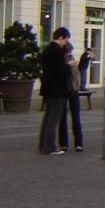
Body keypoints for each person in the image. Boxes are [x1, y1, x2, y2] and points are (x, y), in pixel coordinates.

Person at [38, 27, 71, 155]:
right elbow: (59, 70)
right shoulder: (56, 51)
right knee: (54, 118)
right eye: (66, 40)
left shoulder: (47, 49)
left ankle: (43, 144)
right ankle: (50, 146)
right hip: (57, 89)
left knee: (48, 116)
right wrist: (68, 65)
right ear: (61, 37)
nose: (66, 43)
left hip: (48, 88)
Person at [57, 42, 84, 151]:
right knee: (74, 117)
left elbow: (76, 75)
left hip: (68, 90)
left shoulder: (67, 59)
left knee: (67, 117)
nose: (69, 53)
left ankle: (65, 143)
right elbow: (77, 76)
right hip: (71, 90)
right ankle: (77, 143)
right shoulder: (66, 60)